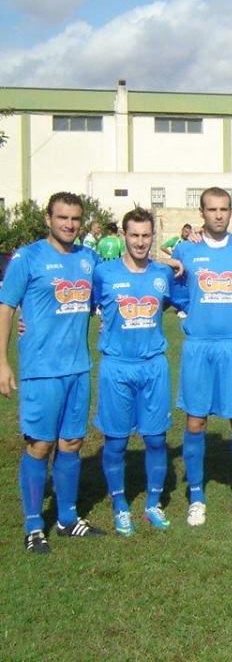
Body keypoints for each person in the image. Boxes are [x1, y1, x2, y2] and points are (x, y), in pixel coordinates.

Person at [0, 192, 104, 553]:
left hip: (78, 368)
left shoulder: (89, 259)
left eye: (75, 219)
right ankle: (32, 526)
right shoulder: (27, 258)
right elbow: (7, 307)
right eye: (63, 218)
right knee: (40, 444)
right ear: (48, 218)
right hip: (42, 370)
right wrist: (2, 361)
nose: (70, 225)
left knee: (72, 442)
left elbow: (123, 284)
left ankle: (67, 518)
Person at [172, 187, 232, 526]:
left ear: (231, 211)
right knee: (195, 420)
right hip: (198, 347)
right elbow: (174, 293)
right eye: (212, 209)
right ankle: (196, 496)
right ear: (202, 212)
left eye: (224, 208)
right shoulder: (187, 249)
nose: (219, 215)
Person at [92, 207, 178, 536]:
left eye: (146, 236)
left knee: (156, 440)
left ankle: (153, 503)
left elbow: (183, 301)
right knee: (115, 443)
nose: (140, 242)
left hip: (154, 366)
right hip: (117, 367)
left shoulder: (162, 274)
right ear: (123, 236)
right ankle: (120, 505)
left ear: (152, 237)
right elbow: (78, 306)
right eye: (134, 235)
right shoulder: (104, 273)